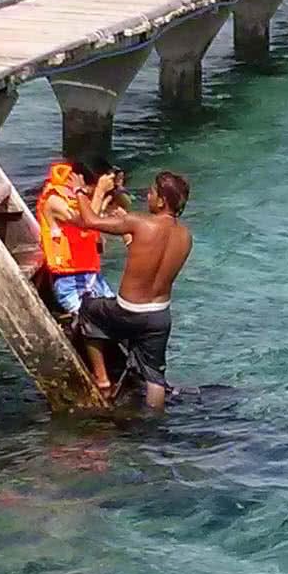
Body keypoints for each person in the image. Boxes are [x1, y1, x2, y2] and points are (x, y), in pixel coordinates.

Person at [72, 169, 192, 411]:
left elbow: (89, 221)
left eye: (151, 193)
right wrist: (130, 234)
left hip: (128, 311)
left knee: (88, 309)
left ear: (161, 201)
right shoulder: (185, 236)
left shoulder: (138, 221)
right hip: (159, 316)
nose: (147, 196)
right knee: (155, 377)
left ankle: (102, 380)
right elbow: (151, 261)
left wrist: (79, 191)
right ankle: (154, 423)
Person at [32, 158, 114, 396]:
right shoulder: (55, 201)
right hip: (69, 282)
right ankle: (102, 379)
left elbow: (99, 221)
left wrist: (111, 195)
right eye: (90, 188)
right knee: (93, 320)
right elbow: (87, 223)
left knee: (119, 315)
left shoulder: (81, 198)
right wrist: (98, 192)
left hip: (92, 277)